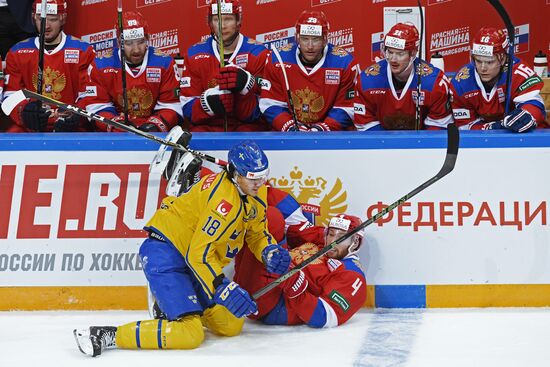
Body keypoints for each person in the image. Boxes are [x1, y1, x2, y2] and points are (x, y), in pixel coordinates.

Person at [73, 140, 291, 357]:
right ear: (236, 175)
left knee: (231, 324)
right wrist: (222, 286)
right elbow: (199, 256)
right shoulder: (223, 205)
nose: (259, 183)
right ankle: (107, 335)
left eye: (263, 176)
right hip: (166, 251)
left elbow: (256, 232)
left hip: (192, 258)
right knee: (190, 334)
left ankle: (175, 305)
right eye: (253, 178)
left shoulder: (255, 193)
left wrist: (268, 250)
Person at [235, 210, 367, 328]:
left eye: (340, 237)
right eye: (331, 234)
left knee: (272, 218)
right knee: (258, 214)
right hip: (257, 281)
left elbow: (324, 316)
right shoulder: (320, 240)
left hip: (274, 303)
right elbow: (293, 222)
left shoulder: (352, 276)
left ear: (355, 242)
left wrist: (295, 285)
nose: (332, 241)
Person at [80, 10, 182, 132]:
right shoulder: (100, 65)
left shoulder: (165, 63)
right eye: (129, 43)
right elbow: (97, 106)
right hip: (116, 137)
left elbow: (171, 105)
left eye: (141, 41)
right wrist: (116, 123)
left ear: (148, 38)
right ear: (119, 42)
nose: (136, 50)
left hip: (155, 137)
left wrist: (155, 125)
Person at [1, 0, 95, 132]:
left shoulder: (83, 51)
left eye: (53, 19)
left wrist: (76, 115)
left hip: (71, 127)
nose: (46, 25)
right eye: (41, 19)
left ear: (63, 19)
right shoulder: (17, 52)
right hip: (31, 127)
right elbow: (10, 94)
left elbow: (90, 94)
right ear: (33, 17)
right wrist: (24, 111)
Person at [259, 10, 357, 132]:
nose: (310, 46)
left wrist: (322, 129)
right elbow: (269, 103)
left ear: (325, 39)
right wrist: (289, 126)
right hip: (289, 133)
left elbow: (347, 107)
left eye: (315, 39)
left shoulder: (344, 63)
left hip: (330, 135)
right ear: (297, 38)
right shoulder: (277, 59)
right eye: (305, 39)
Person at [180, 0, 269, 132]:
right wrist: (206, 104)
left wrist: (246, 88)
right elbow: (187, 108)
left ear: (238, 21)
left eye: (228, 19)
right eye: (217, 20)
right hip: (209, 127)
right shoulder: (195, 54)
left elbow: (265, 110)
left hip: (245, 127)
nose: (222, 26)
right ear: (210, 23)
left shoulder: (258, 53)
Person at [354, 22, 453, 131]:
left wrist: (417, 144)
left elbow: (438, 127)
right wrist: (386, 144)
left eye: (400, 54)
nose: (393, 59)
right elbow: (365, 124)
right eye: (390, 52)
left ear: (413, 53)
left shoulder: (433, 82)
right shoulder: (367, 80)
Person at [450, 27, 546, 132]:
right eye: (478, 61)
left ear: (503, 58)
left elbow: (535, 105)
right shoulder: (461, 82)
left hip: (522, 136)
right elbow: (465, 125)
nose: (482, 68)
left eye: (489, 62)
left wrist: (528, 114)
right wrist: (494, 127)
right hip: (483, 140)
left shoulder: (518, 73)